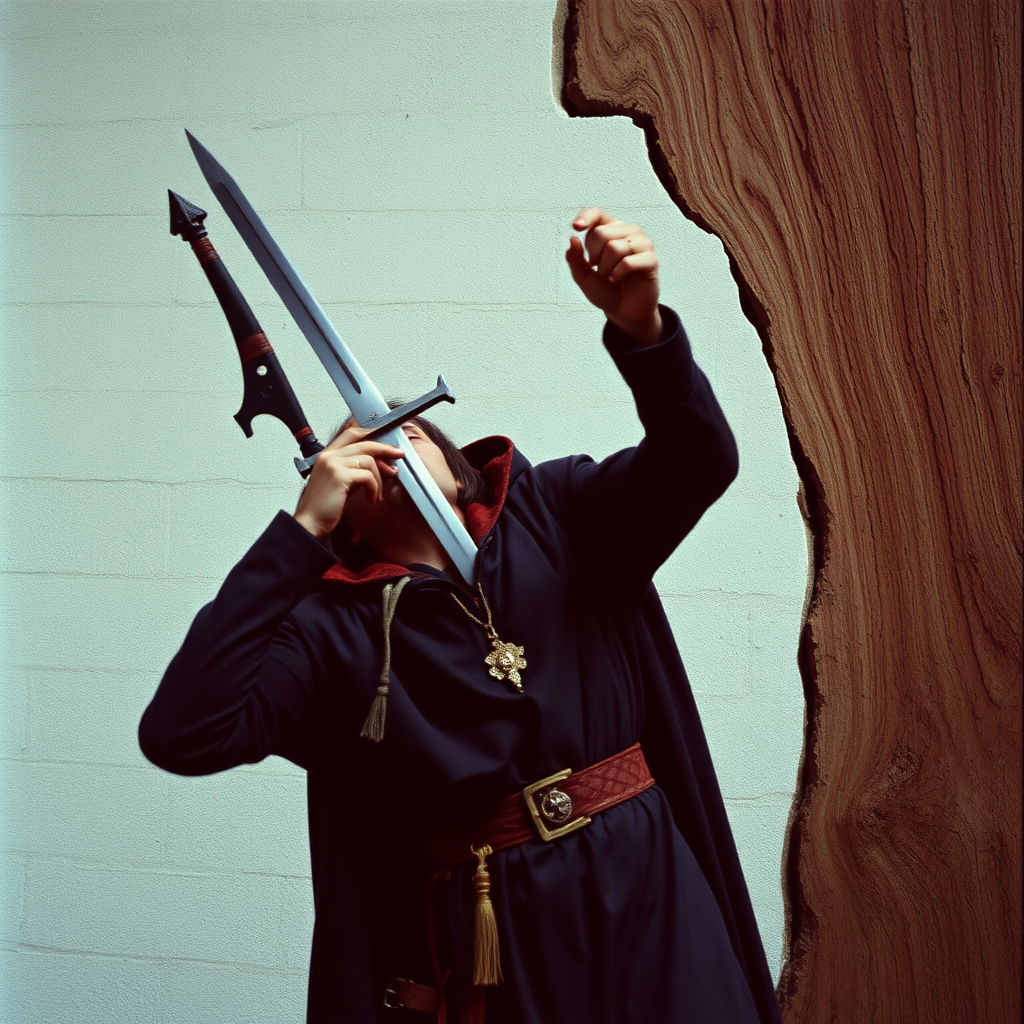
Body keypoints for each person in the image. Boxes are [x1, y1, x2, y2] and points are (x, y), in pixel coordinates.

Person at [139, 210, 782, 1024]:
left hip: (652, 883)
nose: (388, 436)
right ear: (346, 497)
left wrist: (642, 328)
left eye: (407, 424)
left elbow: (700, 460)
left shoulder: (556, 510)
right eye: (360, 445)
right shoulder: (331, 632)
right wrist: (299, 535)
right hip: (501, 931)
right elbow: (180, 732)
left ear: (451, 456)